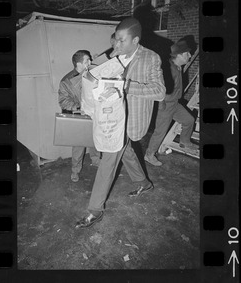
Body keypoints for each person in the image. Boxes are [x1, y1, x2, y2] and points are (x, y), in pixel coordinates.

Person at [75, 17, 166, 229]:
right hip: (113, 116)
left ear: (135, 40)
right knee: (124, 150)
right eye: (115, 40)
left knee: (109, 158)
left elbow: (160, 92)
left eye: (121, 41)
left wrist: (126, 87)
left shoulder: (150, 58)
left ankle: (95, 210)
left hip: (131, 118)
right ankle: (144, 183)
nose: (116, 45)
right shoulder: (116, 55)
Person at [144, 38, 197, 166]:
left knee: (189, 120)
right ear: (179, 55)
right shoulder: (169, 68)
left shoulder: (178, 67)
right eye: (187, 54)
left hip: (175, 103)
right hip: (166, 104)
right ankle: (149, 155)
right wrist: (161, 104)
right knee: (160, 131)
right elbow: (159, 87)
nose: (190, 56)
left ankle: (185, 142)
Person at [58, 50, 101, 182]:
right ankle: (75, 171)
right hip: (80, 115)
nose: (90, 63)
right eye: (87, 61)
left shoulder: (93, 74)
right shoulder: (66, 81)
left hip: (94, 113)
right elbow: (63, 101)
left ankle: (96, 161)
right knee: (78, 146)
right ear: (78, 64)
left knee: (96, 140)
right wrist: (79, 107)